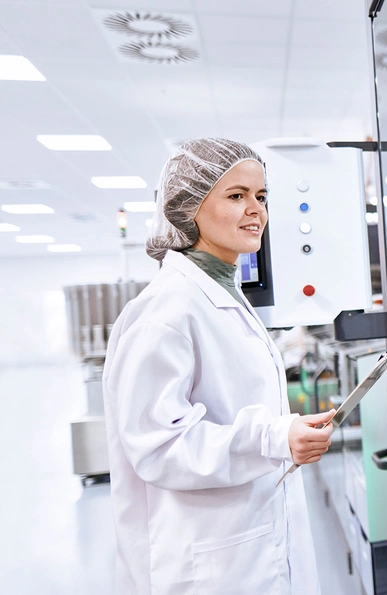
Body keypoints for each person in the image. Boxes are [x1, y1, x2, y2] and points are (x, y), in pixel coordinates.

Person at [101, 138, 334, 595]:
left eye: (261, 196)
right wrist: (272, 438)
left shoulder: (224, 293)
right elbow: (158, 445)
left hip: (248, 542)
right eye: (236, 196)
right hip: (206, 561)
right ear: (188, 208)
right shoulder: (165, 311)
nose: (256, 211)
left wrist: (283, 434)